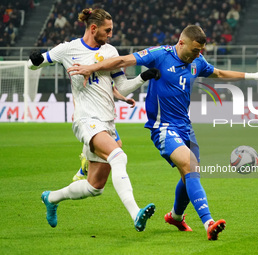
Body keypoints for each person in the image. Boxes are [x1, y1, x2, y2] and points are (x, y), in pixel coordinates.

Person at [67, 25, 258, 240]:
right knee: (189, 166)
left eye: (201, 51)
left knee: (190, 174)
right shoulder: (159, 55)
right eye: (195, 50)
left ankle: (175, 216)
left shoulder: (197, 61)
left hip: (186, 127)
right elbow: (122, 61)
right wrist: (92, 67)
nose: (198, 55)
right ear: (181, 42)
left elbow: (220, 73)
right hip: (163, 128)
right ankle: (209, 223)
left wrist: (255, 75)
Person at [28, 8, 161, 231]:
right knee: (118, 156)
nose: (110, 35)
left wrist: (142, 77)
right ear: (93, 28)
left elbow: (122, 87)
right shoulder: (68, 49)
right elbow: (36, 63)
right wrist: (34, 60)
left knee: (94, 187)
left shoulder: (111, 52)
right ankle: (135, 213)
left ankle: (50, 198)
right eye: (107, 30)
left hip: (107, 123)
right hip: (86, 119)